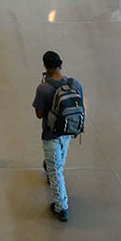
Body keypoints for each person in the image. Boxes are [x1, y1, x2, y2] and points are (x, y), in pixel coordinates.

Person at [34, 50, 83, 221]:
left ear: (45, 67)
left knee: (56, 171)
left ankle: (61, 207)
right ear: (60, 64)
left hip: (51, 134)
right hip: (69, 131)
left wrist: (42, 87)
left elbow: (39, 114)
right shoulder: (75, 83)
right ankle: (50, 166)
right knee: (59, 158)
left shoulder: (44, 88)